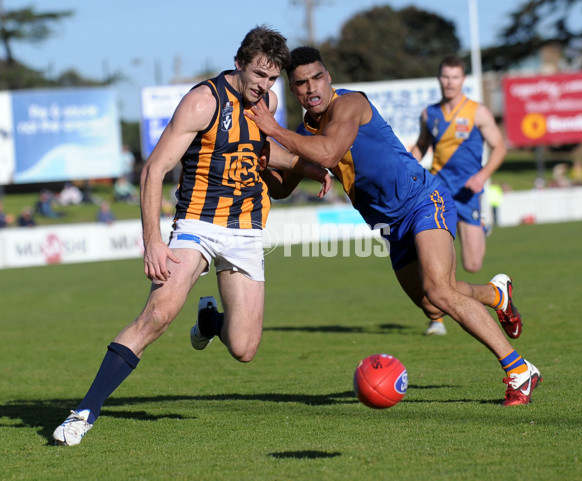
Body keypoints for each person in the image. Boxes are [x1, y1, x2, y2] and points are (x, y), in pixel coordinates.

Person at [52, 25, 329, 447]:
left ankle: (209, 321)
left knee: (244, 348)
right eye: (258, 75)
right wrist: (153, 241)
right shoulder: (203, 100)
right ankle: (85, 411)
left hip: (246, 228)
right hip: (197, 224)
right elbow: (155, 169)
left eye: (272, 79)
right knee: (158, 315)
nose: (265, 86)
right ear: (239, 64)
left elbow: (258, 149)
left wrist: (306, 167)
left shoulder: (267, 102)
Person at [247, 46, 538, 409]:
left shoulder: (349, 104)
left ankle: (519, 370)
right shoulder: (305, 130)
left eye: (317, 77)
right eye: (302, 83)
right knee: (434, 305)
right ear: (293, 90)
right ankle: (497, 296)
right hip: (389, 225)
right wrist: (256, 158)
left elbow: (327, 154)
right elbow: (283, 188)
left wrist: (273, 130)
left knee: (440, 290)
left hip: (421, 201)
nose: (312, 88)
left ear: (329, 77)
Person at [411, 56, 507, 279]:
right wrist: (406, 167)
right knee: (438, 266)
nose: (450, 82)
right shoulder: (429, 114)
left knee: (473, 265)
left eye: (455, 77)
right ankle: (437, 310)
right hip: (438, 190)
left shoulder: (477, 112)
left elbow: (500, 147)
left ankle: (481, 227)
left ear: (463, 79)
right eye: (445, 76)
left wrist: (482, 177)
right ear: (439, 78)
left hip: (467, 191)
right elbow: (421, 146)